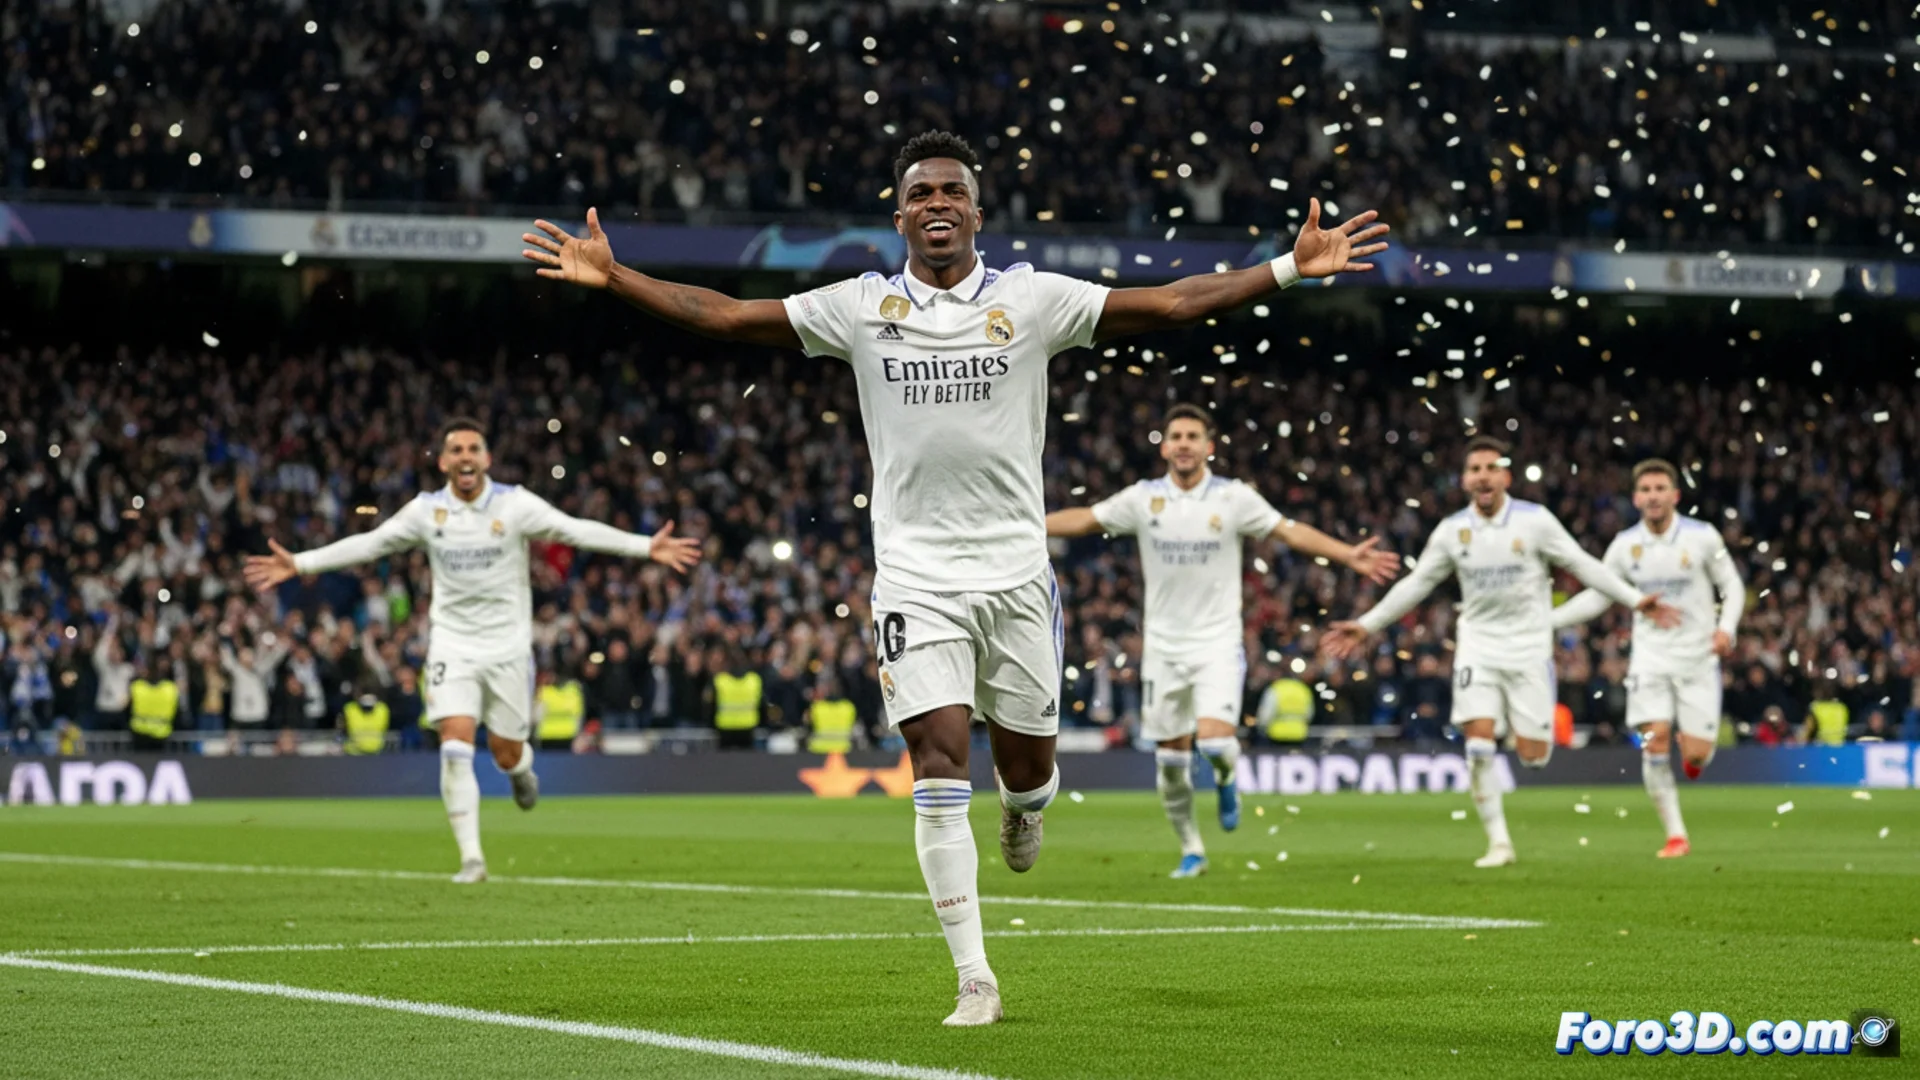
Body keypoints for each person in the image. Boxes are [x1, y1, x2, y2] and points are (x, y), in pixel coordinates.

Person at [522, 129, 1389, 1025]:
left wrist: (1287, 267)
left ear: (978, 212)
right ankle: (976, 975)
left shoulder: (1033, 300)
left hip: (1017, 580)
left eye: (952, 192)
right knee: (937, 762)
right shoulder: (859, 307)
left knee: (1027, 773)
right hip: (914, 578)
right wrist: (618, 278)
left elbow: (1171, 302)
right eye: (921, 193)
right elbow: (727, 317)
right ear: (899, 216)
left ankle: (1027, 808)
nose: (937, 204)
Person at [244, 417, 701, 882]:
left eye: (473, 449)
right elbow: (373, 543)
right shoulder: (427, 511)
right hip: (452, 645)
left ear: (486, 459)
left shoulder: (514, 504)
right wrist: (301, 562)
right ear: (444, 461)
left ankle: (522, 772)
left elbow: (574, 530)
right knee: (455, 744)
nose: (465, 456)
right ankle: (472, 859)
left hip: (507, 648)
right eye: (456, 449)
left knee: (506, 752)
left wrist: (646, 547)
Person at [1046, 403, 1400, 877]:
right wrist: (1032, 526)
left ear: (1209, 447)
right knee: (1170, 763)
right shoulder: (1144, 498)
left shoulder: (1233, 498)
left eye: (1194, 436)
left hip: (1217, 643)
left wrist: (1345, 555)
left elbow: (1288, 532)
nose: (1185, 444)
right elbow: (1087, 518)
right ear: (1165, 446)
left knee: (1213, 744)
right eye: (1176, 436)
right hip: (1164, 649)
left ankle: (1228, 777)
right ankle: (1192, 848)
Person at [1321, 435, 1677, 868]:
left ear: (1505, 476)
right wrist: (1367, 624)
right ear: (1465, 479)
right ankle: (1499, 844)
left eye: (1491, 467)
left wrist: (1634, 598)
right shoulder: (1453, 530)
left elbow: (1582, 564)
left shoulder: (1535, 521)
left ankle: (1517, 726)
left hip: (1528, 646)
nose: (1483, 476)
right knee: (1477, 747)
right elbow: (1417, 584)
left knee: (1534, 758)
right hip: (1478, 646)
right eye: (1474, 469)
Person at [1549, 458, 1745, 858]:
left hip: (1698, 658)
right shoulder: (1625, 546)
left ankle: (1693, 753)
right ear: (1636, 498)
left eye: (1661, 489)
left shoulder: (1702, 537)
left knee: (1696, 754)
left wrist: (1728, 628)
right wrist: (1548, 620)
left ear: (1674, 495)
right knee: (1654, 741)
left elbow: (1733, 586)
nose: (1654, 496)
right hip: (1651, 658)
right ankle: (1676, 836)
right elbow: (1599, 593)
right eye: (1646, 490)